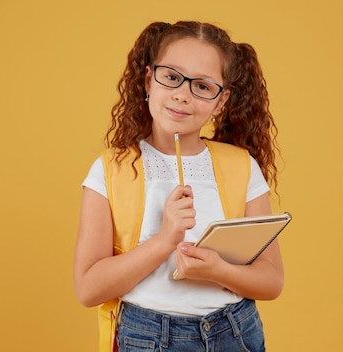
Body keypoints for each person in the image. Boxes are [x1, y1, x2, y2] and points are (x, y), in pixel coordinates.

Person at [73, 21, 282, 352]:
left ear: (220, 101)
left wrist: (218, 270)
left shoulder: (241, 166)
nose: (182, 95)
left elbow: (271, 282)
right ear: (148, 80)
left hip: (235, 331)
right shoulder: (110, 170)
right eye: (171, 77)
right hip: (147, 337)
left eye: (202, 86)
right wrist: (164, 241)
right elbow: (88, 288)